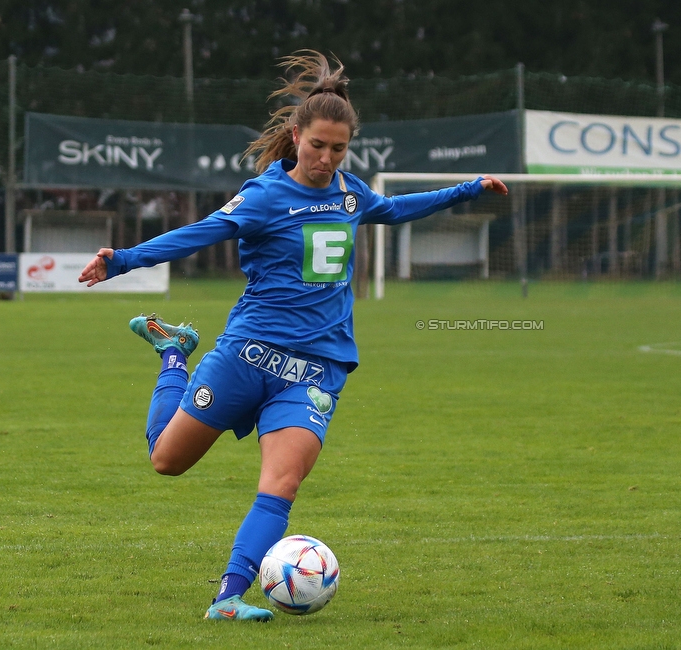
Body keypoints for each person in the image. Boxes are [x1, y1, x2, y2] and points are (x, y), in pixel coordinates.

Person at [79, 51, 508, 621]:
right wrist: (124, 260)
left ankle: (227, 598)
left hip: (316, 368)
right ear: (295, 136)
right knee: (167, 461)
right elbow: (200, 233)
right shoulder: (262, 196)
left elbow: (398, 207)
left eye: (338, 149)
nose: (326, 159)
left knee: (282, 482)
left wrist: (466, 189)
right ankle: (174, 354)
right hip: (248, 354)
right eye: (317, 146)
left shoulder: (350, 194)